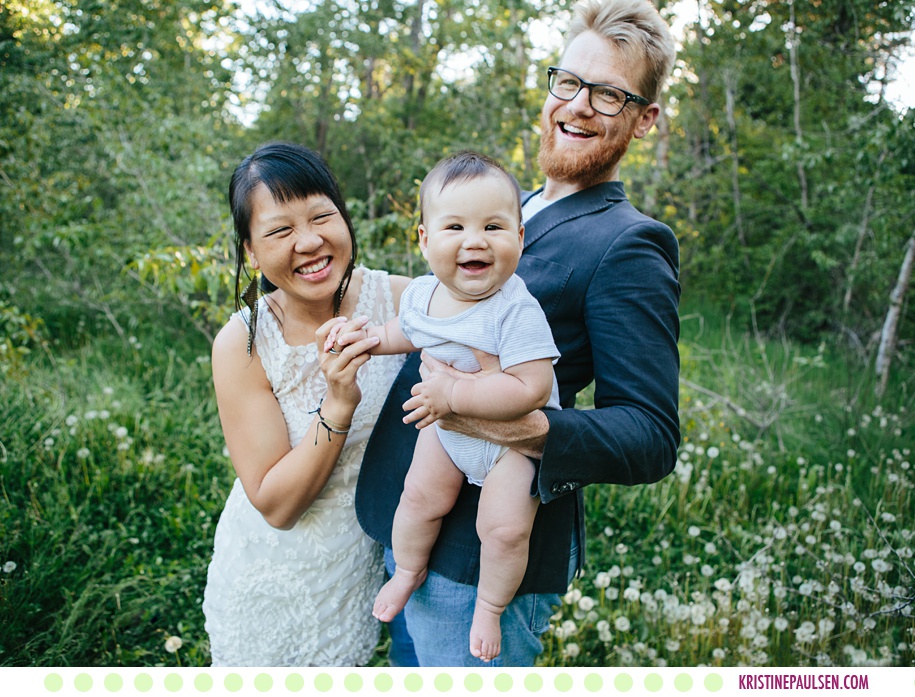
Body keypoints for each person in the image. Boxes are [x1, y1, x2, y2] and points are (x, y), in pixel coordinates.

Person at [356, 0, 681, 667]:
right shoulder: (509, 208)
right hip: (416, 513)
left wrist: (516, 424)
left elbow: (649, 436)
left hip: (480, 559)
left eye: (609, 95)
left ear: (644, 118)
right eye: (568, 81)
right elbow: (439, 298)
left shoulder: (630, 244)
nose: (579, 105)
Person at [327, 152, 561, 662]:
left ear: (519, 238)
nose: (475, 240)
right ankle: (409, 571)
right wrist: (366, 340)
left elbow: (532, 388)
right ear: (425, 240)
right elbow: (403, 333)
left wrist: (454, 395)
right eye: (454, 226)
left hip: (509, 445)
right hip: (448, 431)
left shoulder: (516, 308)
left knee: (503, 529)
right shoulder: (425, 295)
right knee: (418, 498)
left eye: (494, 226)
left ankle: (490, 606)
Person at [201, 142, 410, 666]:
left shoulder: (404, 302)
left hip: (360, 574)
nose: (311, 241)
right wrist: (338, 402)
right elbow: (276, 504)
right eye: (280, 231)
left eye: (322, 216)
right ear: (250, 251)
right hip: (270, 581)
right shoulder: (243, 342)